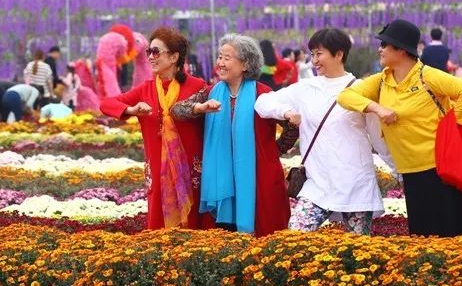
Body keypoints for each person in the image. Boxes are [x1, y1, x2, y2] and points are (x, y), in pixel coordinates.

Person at [337, 19, 462, 236]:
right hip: (409, 169)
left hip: (438, 168)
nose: (380, 50)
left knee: (451, 234)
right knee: (422, 234)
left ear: (401, 50)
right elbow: (345, 96)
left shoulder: (427, 76)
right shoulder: (381, 81)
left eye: (385, 45)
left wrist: (450, 126)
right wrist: (377, 108)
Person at [255, 28, 395, 234]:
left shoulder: (360, 89)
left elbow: (377, 137)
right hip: (317, 185)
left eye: (319, 54)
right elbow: (263, 102)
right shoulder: (305, 88)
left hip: (355, 184)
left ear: (339, 54)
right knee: (294, 237)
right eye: (312, 54)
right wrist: (285, 112)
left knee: (358, 251)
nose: (314, 60)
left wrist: (396, 168)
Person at [172, 33, 290, 236]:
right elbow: (177, 110)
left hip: (257, 174)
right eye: (219, 57)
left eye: (227, 58)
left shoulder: (262, 94)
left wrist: (272, 151)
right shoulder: (211, 92)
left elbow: (291, 124)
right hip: (221, 178)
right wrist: (200, 108)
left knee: (263, 233)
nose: (220, 63)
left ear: (245, 64)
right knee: (223, 235)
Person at [100, 27, 210, 230]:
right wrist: (131, 109)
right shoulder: (146, 89)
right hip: (158, 172)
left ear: (174, 57)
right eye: (149, 51)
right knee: (158, 227)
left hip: (190, 173)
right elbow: (106, 103)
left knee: (194, 227)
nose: (150, 57)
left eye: (156, 52)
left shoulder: (198, 87)